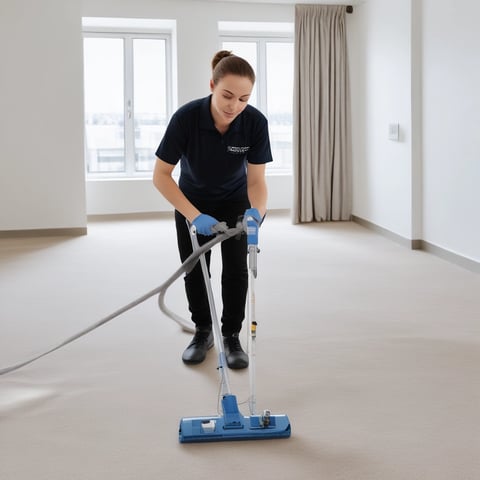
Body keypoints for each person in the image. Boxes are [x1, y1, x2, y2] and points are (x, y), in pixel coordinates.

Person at [153, 50, 272, 369]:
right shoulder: (186, 118)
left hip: (236, 201)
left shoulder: (255, 122)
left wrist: (256, 212)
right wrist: (193, 215)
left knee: (236, 271)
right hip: (193, 202)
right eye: (227, 95)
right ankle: (203, 332)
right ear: (212, 85)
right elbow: (161, 176)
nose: (235, 106)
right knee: (196, 269)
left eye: (244, 98)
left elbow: (257, 181)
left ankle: (231, 335)